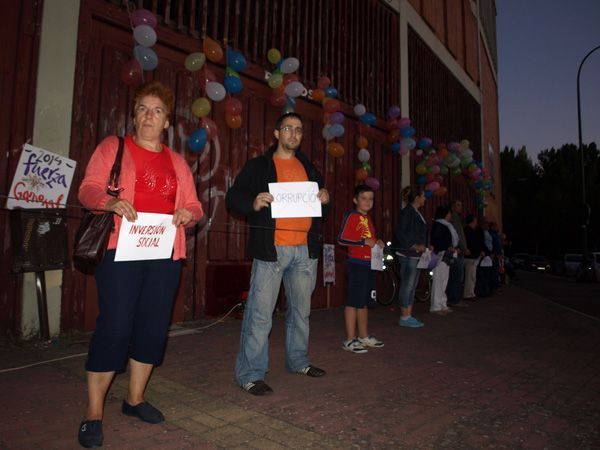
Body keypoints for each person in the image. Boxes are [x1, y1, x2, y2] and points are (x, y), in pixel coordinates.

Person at [77, 80, 203, 448]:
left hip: (164, 252)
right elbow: (88, 188)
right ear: (134, 115)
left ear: (167, 122)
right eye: (143, 109)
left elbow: (195, 206)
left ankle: (134, 399)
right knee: (115, 325)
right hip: (120, 250)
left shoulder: (178, 162)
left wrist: (187, 214)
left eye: (158, 110)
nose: (149, 115)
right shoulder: (112, 147)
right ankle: (93, 412)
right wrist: (109, 202)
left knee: (152, 326)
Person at [226, 112, 330, 396]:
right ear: (276, 133)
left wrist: (325, 197)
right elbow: (233, 198)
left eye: (298, 130)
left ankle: (298, 361)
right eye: (288, 128)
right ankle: (250, 374)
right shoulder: (259, 166)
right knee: (260, 315)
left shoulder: (308, 168)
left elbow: (323, 204)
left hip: (305, 251)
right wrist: (253, 201)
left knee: (301, 313)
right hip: (272, 250)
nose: (293, 134)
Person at [338, 184, 385, 353]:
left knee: (363, 301)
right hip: (356, 264)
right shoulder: (352, 216)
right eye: (364, 198)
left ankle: (363, 336)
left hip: (369, 264)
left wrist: (377, 241)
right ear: (355, 200)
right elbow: (342, 239)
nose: (367, 202)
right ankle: (350, 339)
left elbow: (368, 239)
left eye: (371, 199)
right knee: (353, 302)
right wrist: (362, 242)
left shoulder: (368, 219)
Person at [392, 185, 427, 328]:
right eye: (423, 196)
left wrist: (425, 245)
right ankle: (404, 316)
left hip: (415, 254)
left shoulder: (416, 212)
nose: (425, 198)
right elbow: (401, 232)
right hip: (408, 253)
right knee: (408, 284)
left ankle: (409, 314)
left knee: (412, 285)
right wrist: (414, 245)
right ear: (417, 198)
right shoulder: (407, 212)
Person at [430, 205, 457, 315]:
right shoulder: (439, 225)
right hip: (440, 255)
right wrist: (447, 247)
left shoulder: (445, 225)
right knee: (438, 280)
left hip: (446, 255)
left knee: (444, 280)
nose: (450, 215)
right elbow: (437, 241)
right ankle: (436, 306)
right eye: (449, 213)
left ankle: (442, 304)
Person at [446, 199, 469, 308]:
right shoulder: (454, 218)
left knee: (455, 275)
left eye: (461, 205)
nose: (460, 207)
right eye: (458, 205)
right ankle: (454, 299)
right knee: (457, 276)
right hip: (457, 251)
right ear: (453, 206)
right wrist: (461, 247)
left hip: (457, 250)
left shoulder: (457, 218)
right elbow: (456, 234)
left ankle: (453, 298)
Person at [463, 214, 483, 300]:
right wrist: (478, 251)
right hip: (470, 257)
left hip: (473, 256)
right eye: (476, 220)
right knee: (470, 276)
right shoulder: (468, 231)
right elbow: (472, 244)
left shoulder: (471, 230)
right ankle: (468, 294)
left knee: (472, 276)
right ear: (473, 221)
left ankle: (471, 293)